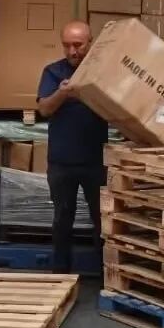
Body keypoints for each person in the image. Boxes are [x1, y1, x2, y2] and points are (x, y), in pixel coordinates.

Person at [36, 20, 109, 273]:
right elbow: (44, 109)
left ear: (90, 42)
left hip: (95, 161)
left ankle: (105, 274)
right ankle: (60, 275)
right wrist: (63, 93)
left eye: (78, 45)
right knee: (62, 219)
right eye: (66, 45)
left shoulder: (102, 72)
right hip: (61, 162)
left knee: (102, 219)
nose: (72, 51)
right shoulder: (53, 72)